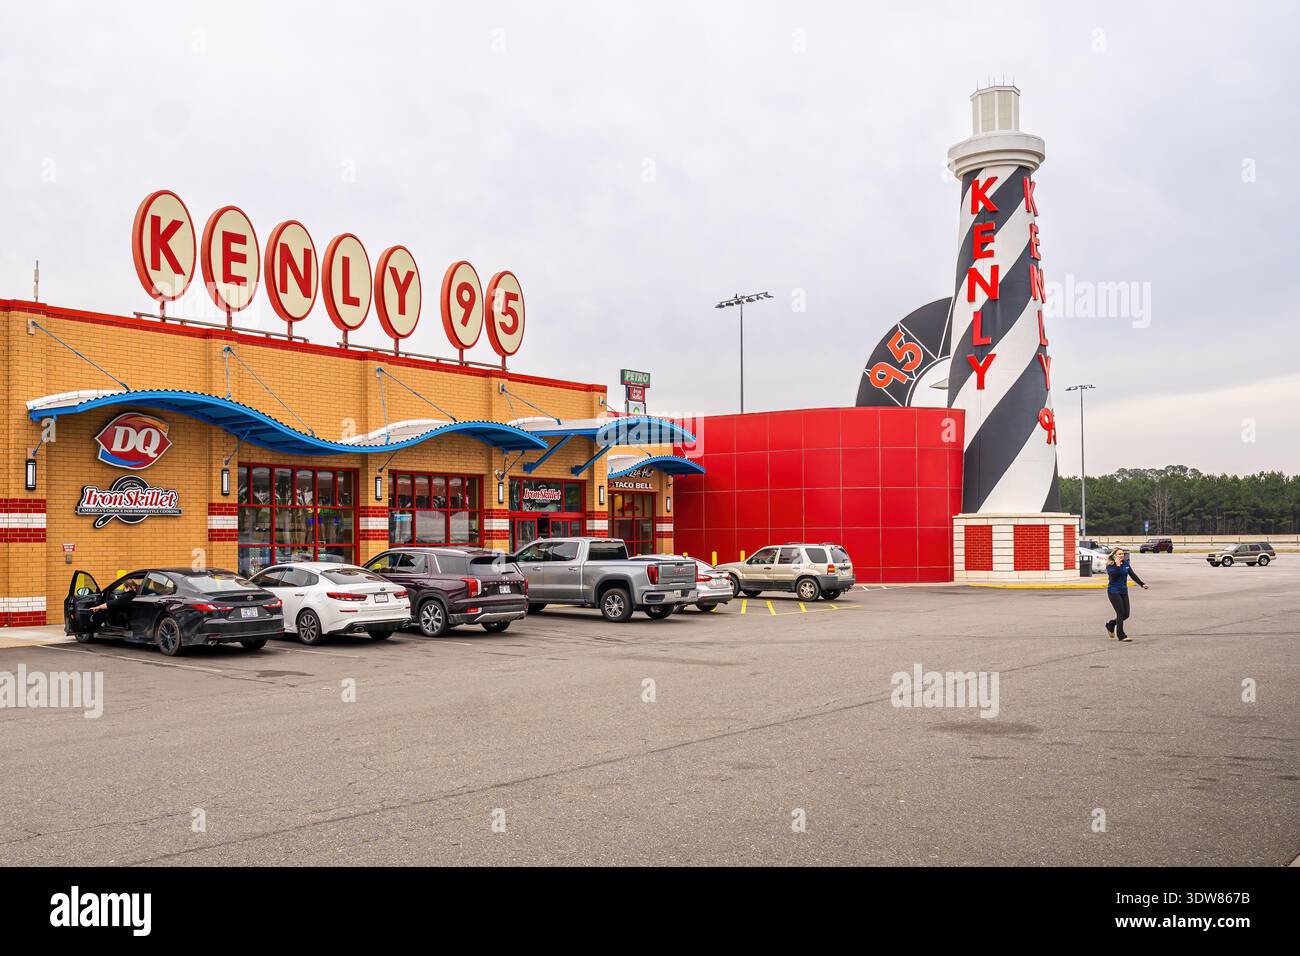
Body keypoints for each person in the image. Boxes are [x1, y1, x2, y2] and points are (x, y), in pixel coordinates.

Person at [1104, 548, 1148, 642]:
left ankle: (1111, 624)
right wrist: (1117, 565)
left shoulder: (1126, 563)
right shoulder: (1110, 565)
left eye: (1122, 554)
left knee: (1126, 614)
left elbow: (1132, 574)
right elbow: (1113, 574)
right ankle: (1121, 635)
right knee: (1120, 613)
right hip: (1113, 591)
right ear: (1114, 555)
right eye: (1119, 554)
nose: (1122, 555)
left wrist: (1141, 584)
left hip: (1123, 591)